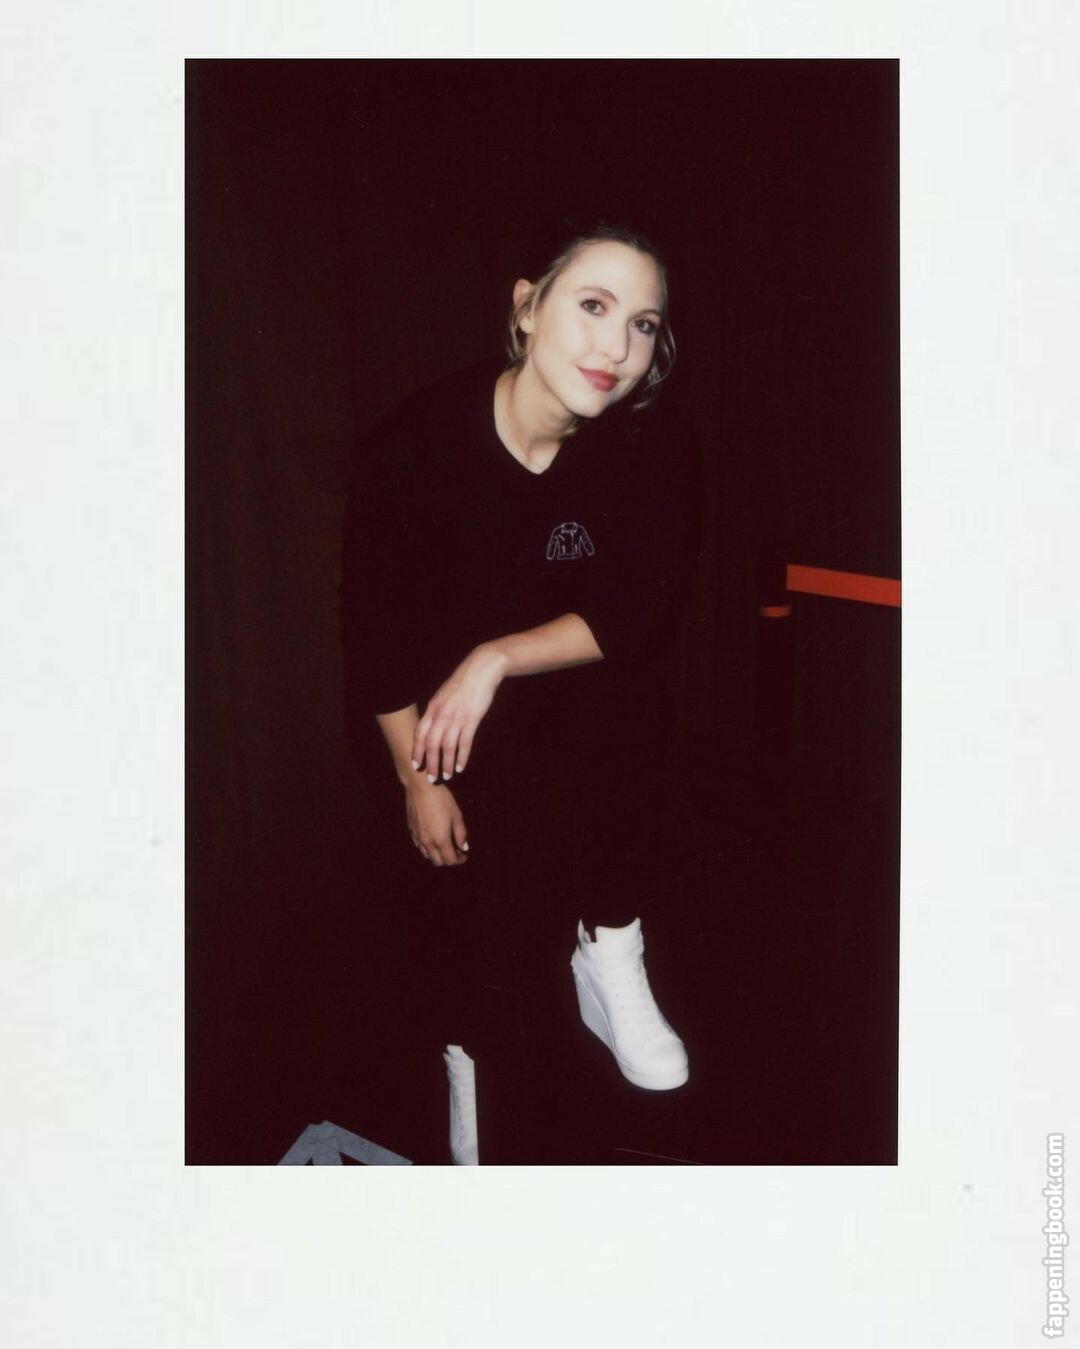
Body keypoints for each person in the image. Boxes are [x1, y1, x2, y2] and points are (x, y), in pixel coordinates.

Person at [340, 222, 704, 1164]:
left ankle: (610, 945)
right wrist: (417, 780)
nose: (616, 346)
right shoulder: (413, 447)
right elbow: (372, 642)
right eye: (593, 306)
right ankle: (465, 1060)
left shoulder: (648, 444)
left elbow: (636, 612)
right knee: (456, 889)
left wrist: (495, 656)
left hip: (536, 686)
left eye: (642, 324)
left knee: (638, 710)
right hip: (427, 716)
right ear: (527, 307)